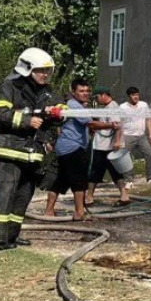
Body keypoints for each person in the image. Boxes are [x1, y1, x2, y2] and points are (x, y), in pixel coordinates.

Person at [0, 47, 61, 250]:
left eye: (48, 71)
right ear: (27, 69)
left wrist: (59, 113)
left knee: (22, 198)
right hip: (8, 151)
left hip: (32, 153)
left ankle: (10, 236)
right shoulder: (9, 86)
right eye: (40, 70)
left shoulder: (47, 91)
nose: (45, 74)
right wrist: (26, 121)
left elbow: (60, 106)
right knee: (2, 196)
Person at [44, 79, 92, 221]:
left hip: (66, 148)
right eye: (81, 91)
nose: (85, 94)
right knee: (79, 181)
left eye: (87, 91)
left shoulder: (78, 106)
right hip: (72, 148)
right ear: (73, 92)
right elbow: (90, 123)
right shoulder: (73, 105)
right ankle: (79, 213)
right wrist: (111, 126)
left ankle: (49, 211)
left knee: (61, 180)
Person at [85, 86, 130, 206]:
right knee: (113, 172)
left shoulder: (113, 107)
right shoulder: (108, 107)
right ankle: (124, 195)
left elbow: (117, 125)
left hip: (105, 147)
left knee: (96, 172)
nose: (97, 100)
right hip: (104, 146)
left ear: (103, 95)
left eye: (97, 97)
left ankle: (89, 197)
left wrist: (117, 141)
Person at [120, 86, 151, 182]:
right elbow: (120, 123)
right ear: (128, 96)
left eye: (137, 94)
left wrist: (150, 134)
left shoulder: (143, 105)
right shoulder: (123, 107)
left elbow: (148, 119)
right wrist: (120, 139)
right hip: (127, 135)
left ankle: (150, 178)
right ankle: (129, 179)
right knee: (126, 158)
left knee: (150, 154)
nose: (136, 97)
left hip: (141, 136)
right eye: (133, 95)